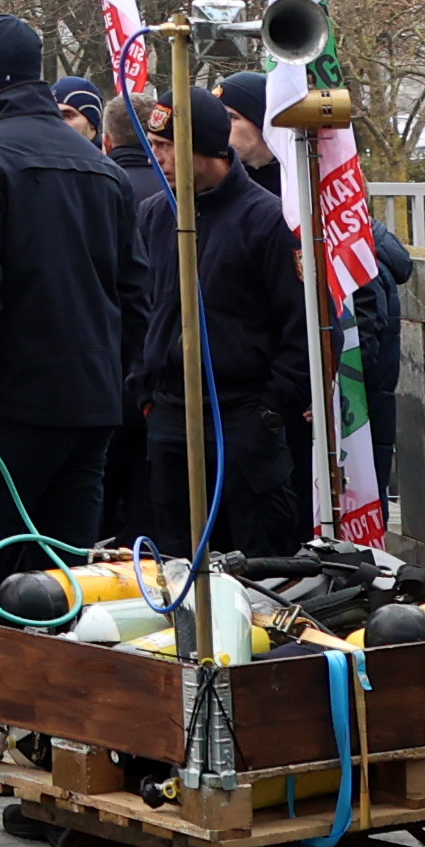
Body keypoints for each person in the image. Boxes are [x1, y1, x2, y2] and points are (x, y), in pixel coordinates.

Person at [0, 20, 148, 571]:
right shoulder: (100, 165)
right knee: (63, 576)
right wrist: (117, 385)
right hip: (90, 403)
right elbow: (135, 294)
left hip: (6, 407)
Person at [133, 86, 311, 560]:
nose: (159, 159)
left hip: (243, 421)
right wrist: (145, 392)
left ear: (206, 148)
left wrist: (270, 410)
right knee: (176, 565)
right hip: (170, 418)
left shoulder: (267, 220)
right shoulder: (154, 215)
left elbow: (302, 328)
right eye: (154, 146)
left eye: (168, 147)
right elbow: (141, 307)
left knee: (259, 566)